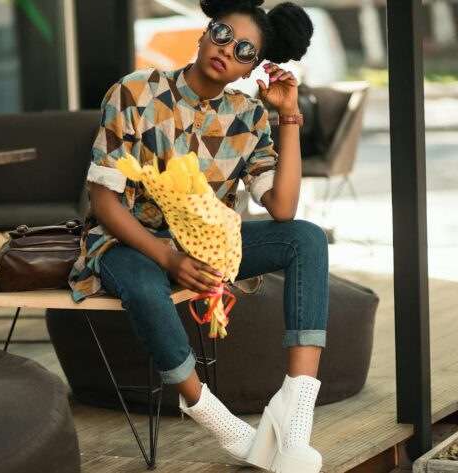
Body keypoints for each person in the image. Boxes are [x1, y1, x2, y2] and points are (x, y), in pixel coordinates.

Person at [68, 1, 327, 471]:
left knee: (306, 239)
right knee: (146, 285)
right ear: (205, 33)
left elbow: (283, 208)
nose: (228, 50)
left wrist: (289, 117)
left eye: (245, 50)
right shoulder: (135, 91)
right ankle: (215, 417)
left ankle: (296, 412)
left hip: (208, 249)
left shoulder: (248, 117)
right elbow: (103, 202)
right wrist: (167, 259)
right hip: (127, 242)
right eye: (224, 34)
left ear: (253, 67)